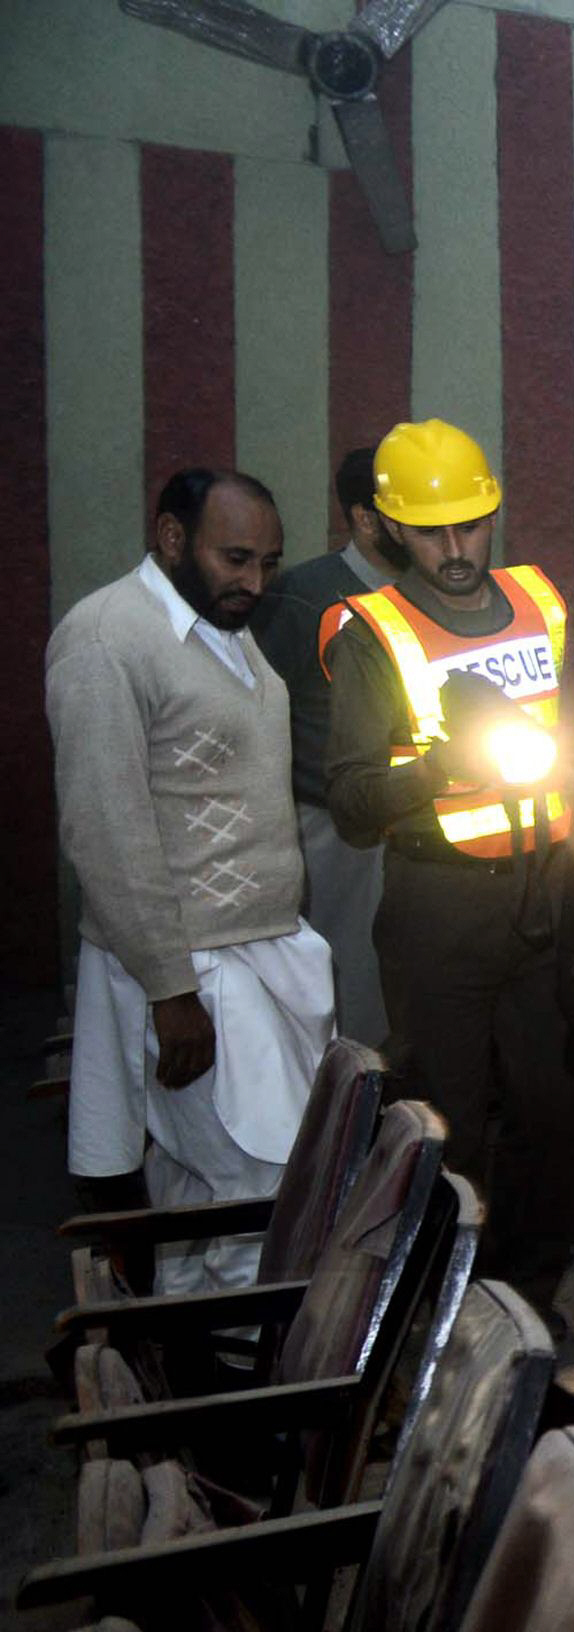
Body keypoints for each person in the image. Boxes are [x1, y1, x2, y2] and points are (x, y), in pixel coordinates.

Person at [321, 419, 574, 1317]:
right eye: (432, 530)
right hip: (439, 908)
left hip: (544, 896)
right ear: (390, 527)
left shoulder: (540, 601)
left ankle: (527, 1303)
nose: (457, 548)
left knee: (555, 1119)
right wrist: (444, 762)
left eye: (471, 524)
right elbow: (353, 798)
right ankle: (444, 1315)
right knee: (454, 1123)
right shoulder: (373, 631)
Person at [51, 469, 332, 1284]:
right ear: (172, 538)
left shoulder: (221, 624)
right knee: (267, 1187)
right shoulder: (107, 638)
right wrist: (171, 991)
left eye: (269, 563)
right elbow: (105, 831)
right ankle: (269, 1391)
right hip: (195, 971)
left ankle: (197, 1382)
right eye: (236, 558)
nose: (255, 582)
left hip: (256, 953)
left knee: (196, 1192)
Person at [254, 445, 399, 1042]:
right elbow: (259, 708)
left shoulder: (435, 590)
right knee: (351, 979)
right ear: (364, 518)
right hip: (336, 826)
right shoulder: (304, 596)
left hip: (421, 815)